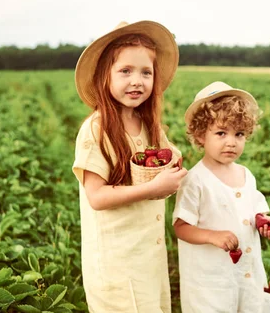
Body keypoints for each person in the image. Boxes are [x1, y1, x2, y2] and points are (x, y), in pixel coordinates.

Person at [72, 20, 188, 312]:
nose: (137, 81)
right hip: (116, 263)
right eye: (125, 71)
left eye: (145, 72)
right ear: (104, 76)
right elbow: (97, 197)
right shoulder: (96, 129)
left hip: (148, 255)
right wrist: (153, 188)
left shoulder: (149, 125)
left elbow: (172, 158)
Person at [172, 81, 270, 313]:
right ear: (201, 135)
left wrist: (264, 222)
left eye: (239, 134)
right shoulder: (195, 180)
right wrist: (212, 236)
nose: (231, 142)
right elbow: (181, 227)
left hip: (246, 273)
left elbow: (254, 212)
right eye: (221, 133)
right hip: (212, 282)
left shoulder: (246, 175)